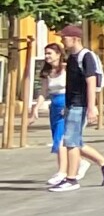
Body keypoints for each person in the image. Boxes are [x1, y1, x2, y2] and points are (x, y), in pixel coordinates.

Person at [54, 20, 104, 190]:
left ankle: (71, 179)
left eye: (64, 38)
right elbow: (72, 84)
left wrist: (91, 107)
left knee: (71, 142)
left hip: (80, 105)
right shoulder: (72, 58)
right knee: (74, 141)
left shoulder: (86, 56)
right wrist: (67, 106)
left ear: (75, 39)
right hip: (72, 105)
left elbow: (91, 83)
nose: (62, 41)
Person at [39, 43, 69, 186]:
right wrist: (35, 109)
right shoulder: (47, 72)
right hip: (54, 107)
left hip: (65, 105)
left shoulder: (67, 69)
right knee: (62, 139)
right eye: (46, 53)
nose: (47, 56)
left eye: (49, 53)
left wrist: (69, 105)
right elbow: (43, 92)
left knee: (60, 140)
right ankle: (82, 162)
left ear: (58, 54)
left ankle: (62, 172)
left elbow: (74, 89)